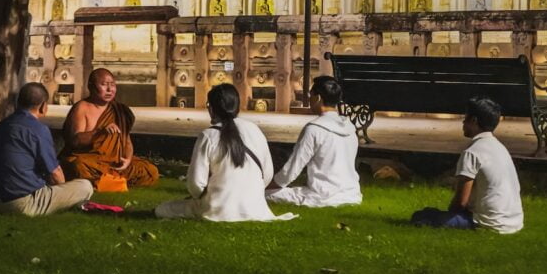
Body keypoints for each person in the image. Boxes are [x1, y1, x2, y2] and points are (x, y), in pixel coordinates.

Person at [155, 84, 296, 222]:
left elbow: (196, 184)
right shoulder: (255, 130)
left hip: (217, 209)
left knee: (163, 209)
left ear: (211, 108)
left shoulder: (208, 135)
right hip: (256, 207)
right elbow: (267, 175)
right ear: (237, 106)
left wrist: (201, 196)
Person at [410, 96, 523, 233]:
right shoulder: (500, 148)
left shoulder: (472, 153)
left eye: (466, 118)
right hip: (514, 222)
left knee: (422, 216)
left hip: (489, 223)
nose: (463, 122)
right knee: (431, 214)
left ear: (474, 121)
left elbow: (460, 202)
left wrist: (450, 214)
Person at [0, 83, 94, 216]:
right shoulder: (38, 129)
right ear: (43, 106)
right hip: (22, 204)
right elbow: (55, 174)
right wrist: (62, 191)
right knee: (85, 186)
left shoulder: (3, 125)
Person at [266, 76, 362, 207]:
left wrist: (268, 186)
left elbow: (291, 170)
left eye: (310, 94)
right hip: (352, 195)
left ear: (317, 98)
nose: (309, 98)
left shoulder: (314, 129)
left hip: (322, 196)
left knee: (266, 193)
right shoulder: (350, 128)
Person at [58, 68, 159, 192]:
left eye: (112, 85)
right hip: (90, 160)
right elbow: (74, 141)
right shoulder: (82, 108)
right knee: (77, 165)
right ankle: (113, 182)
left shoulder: (118, 110)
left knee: (150, 170)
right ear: (91, 87)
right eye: (104, 85)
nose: (110, 90)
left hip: (113, 163)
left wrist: (127, 160)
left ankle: (105, 182)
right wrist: (99, 132)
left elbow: (126, 142)